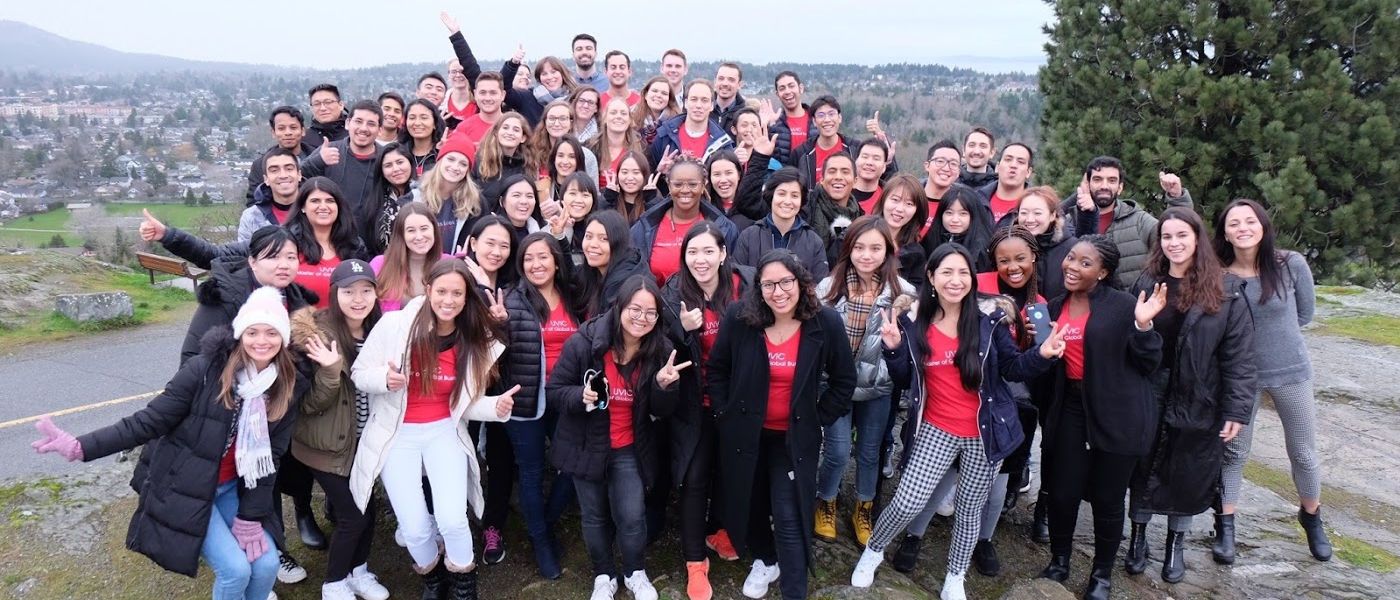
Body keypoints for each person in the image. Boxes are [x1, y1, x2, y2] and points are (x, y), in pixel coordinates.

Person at [32, 285, 306, 600]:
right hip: (184, 486)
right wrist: (82, 447)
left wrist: (250, 516)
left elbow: (269, 457)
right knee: (236, 570)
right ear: (240, 334)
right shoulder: (204, 371)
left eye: (271, 333)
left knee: (267, 565)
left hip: (232, 488)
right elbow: (147, 421)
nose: (261, 341)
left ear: (283, 339)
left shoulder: (285, 386)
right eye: (252, 331)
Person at [851, 243, 1064, 600]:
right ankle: (873, 550)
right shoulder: (913, 322)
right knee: (907, 501)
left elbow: (1012, 368)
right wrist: (892, 347)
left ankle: (955, 575)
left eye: (963, 272)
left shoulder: (988, 321)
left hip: (984, 432)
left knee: (969, 510)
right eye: (947, 272)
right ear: (932, 278)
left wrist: (1041, 355)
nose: (956, 280)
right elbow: (904, 379)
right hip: (935, 428)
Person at [348, 260, 520, 600]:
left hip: (444, 431)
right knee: (413, 528)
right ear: (428, 290)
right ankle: (434, 579)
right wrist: (384, 379)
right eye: (442, 291)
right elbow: (359, 372)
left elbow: (465, 403)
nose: (448, 300)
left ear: (467, 297)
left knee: (453, 520)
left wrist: (494, 407)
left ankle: (463, 585)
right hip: (397, 434)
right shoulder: (395, 326)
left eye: (457, 293)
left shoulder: (473, 339)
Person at [707, 250, 856, 600]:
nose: (778, 292)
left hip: (791, 439)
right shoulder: (740, 318)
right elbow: (717, 370)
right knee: (750, 502)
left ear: (801, 283)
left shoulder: (826, 323)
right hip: (746, 433)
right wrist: (725, 414)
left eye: (786, 282)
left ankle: (794, 590)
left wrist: (817, 417)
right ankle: (765, 558)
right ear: (758, 289)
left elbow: (843, 381)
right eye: (769, 284)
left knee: (789, 516)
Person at [1125, 207, 1255, 584]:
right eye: (1167, 236)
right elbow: (1129, 339)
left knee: (1189, 470)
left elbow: (1240, 358)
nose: (1174, 243)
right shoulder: (1148, 281)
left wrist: (1237, 409)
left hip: (1200, 393)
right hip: (1149, 389)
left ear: (1197, 238)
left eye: (1182, 235)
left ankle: (1174, 544)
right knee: (1142, 466)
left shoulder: (1226, 290)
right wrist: (1142, 322)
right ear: (1159, 242)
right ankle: (1137, 539)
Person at [1033, 235, 1165, 600]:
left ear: (1104, 272)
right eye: (1071, 258)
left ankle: (1101, 575)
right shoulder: (1054, 306)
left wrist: (1143, 327)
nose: (1072, 266)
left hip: (1118, 412)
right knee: (1062, 493)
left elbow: (1149, 363)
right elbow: (1046, 366)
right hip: (1071, 409)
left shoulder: (1124, 307)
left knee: (1108, 499)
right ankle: (1060, 561)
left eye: (1085, 263)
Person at [547, 275, 683, 600]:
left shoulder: (660, 349)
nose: (641, 318)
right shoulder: (585, 342)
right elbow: (554, 391)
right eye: (635, 309)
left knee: (633, 515)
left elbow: (663, 411)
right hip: (586, 443)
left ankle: (635, 572)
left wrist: (665, 386)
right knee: (593, 516)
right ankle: (603, 575)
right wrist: (580, 396)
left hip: (629, 447)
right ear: (619, 306)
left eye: (650, 313)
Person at [1213, 198, 1331, 562]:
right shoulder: (1219, 274)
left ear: (1263, 226)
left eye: (1250, 221)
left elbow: (1305, 314)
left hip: (1290, 371)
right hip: (1239, 378)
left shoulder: (1290, 264)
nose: (1243, 228)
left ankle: (1312, 518)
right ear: (1225, 233)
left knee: (1302, 452)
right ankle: (1226, 526)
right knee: (1234, 452)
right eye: (1234, 223)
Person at [658, 223, 754, 599]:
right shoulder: (672, 294)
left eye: (708, 251)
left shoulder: (745, 287)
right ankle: (695, 562)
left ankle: (722, 531)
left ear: (723, 253)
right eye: (692, 252)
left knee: (733, 471)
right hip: (694, 404)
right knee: (695, 477)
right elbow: (664, 354)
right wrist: (684, 332)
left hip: (735, 401)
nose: (700, 260)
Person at [288, 260, 391, 600]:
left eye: (366, 291)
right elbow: (308, 405)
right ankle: (333, 584)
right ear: (335, 294)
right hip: (325, 446)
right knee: (351, 516)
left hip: (364, 441)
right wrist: (331, 370)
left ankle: (358, 572)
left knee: (368, 509)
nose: (358, 299)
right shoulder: (315, 337)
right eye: (349, 292)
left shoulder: (381, 331)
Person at [813, 217, 915, 548]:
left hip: (878, 387)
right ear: (848, 249)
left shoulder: (904, 294)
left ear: (888, 251)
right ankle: (825, 500)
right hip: (836, 385)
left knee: (870, 452)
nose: (866, 255)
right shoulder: (827, 288)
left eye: (875, 248)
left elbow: (910, 349)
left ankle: (864, 506)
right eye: (859, 247)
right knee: (838, 450)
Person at [498, 232, 585, 579]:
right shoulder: (513, 301)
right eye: (528, 258)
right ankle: (541, 542)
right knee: (532, 472)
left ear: (556, 260)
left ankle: (545, 522)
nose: (536, 264)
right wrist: (496, 324)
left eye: (543, 257)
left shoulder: (572, 295)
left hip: (565, 396)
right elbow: (496, 350)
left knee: (572, 465)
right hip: (526, 401)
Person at [1062, 156, 1195, 288]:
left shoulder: (1139, 221)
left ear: (1120, 188)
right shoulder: (1069, 221)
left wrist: (1177, 198)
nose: (1104, 186)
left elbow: (1174, 234)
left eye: (1112, 180)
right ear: (1088, 184)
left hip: (1132, 306)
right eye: (1097, 179)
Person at [630, 158, 740, 285]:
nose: (685, 190)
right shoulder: (643, 228)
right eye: (678, 184)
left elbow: (732, 280)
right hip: (658, 302)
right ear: (668, 184)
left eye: (693, 184)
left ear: (704, 184)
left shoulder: (725, 229)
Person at [732, 164, 828, 279]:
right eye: (781, 194)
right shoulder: (748, 237)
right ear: (771, 195)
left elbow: (819, 287)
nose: (787, 201)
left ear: (802, 200)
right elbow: (737, 281)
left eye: (794, 195)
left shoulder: (814, 242)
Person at [299, 100, 384, 230]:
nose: (363, 128)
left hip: (372, 240)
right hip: (330, 236)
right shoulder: (329, 150)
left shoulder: (386, 159)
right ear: (348, 123)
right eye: (358, 121)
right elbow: (297, 177)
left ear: (380, 130)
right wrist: (318, 161)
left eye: (371, 124)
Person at [371, 202, 449, 312]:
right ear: (401, 234)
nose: (419, 237)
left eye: (424, 228)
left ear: (434, 229)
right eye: (411, 230)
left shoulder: (448, 263)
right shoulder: (380, 264)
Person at [419, 135, 486, 252]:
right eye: (450, 159)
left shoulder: (476, 203)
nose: (455, 167)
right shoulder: (416, 196)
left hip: (456, 267)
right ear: (440, 160)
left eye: (463, 164)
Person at [576, 211, 648, 317]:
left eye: (604, 239)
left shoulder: (624, 282)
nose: (593, 244)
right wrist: (560, 236)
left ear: (619, 243)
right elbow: (569, 278)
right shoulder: (594, 272)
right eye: (588, 236)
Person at [651, 80, 733, 167]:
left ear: (712, 105)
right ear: (685, 103)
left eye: (704, 100)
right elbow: (649, 174)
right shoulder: (665, 135)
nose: (698, 105)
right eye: (694, 99)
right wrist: (659, 172)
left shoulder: (722, 143)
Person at [871, 173, 930, 289]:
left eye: (909, 204)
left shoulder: (916, 253)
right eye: (895, 200)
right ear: (883, 200)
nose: (899, 209)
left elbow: (916, 293)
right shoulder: (859, 234)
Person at [247, 106, 315, 203]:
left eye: (293, 127)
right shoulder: (260, 165)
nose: (288, 133)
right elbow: (254, 201)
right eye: (281, 128)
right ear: (273, 133)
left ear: (303, 131)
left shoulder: (319, 159)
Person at [805, 153, 862, 265]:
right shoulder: (805, 206)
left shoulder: (860, 218)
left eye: (845, 172)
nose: (838, 177)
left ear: (855, 181)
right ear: (821, 179)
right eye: (832, 171)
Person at [363, 142, 418, 256]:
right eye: (388, 165)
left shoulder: (423, 194)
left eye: (400, 162)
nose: (396, 169)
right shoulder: (375, 201)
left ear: (410, 163)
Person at [923, 184, 994, 273]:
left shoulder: (981, 252)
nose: (955, 220)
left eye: (963, 213)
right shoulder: (930, 240)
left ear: (973, 216)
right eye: (949, 213)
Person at [473, 112, 536, 207]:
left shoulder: (528, 166)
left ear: (523, 138)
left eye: (516, 130)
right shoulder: (478, 162)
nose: (510, 133)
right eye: (505, 128)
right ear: (496, 132)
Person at [240, 147, 303, 242]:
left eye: (289, 169)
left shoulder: (316, 211)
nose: (283, 175)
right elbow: (246, 254)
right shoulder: (252, 217)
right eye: (274, 170)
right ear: (266, 179)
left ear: (299, 175)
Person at [531, 101, 600, 182]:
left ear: (571, 123)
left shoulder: (586, 156)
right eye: (552, 118)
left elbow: (593, 191)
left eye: (562, 119)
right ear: (545, 122)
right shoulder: (532, 153)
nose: (556, 124)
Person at [593, 98, 646, 189]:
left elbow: (647, 180)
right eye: (613, 112)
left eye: (623, 113)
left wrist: (660, 170)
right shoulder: (592, 147)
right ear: (605, 118)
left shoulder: (642, 147)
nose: (618, 116)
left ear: (630, 120)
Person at [977, 142, 1033, 224]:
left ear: (1028, 172)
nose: (1013, 165)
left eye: (1020, 162)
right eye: (1008, 159)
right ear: (997, 167)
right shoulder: (976, 201)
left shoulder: (1034, 208)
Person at [553, 172, 600, 264]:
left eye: (585, 195)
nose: (578, 200)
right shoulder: (551, 226)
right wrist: (565, 230)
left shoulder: (600, 229)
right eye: (572, 193)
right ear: (562, 197)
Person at [602, 151, 659, 225]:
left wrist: (651, 200)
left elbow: (656, 226)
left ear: (644, 175)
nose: (630, 178)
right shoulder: (608, 197)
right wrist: (609, 199)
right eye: (624, 172)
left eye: (636, 172)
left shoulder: (654, 198)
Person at [767, 71, 810, 166]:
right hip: (784, 179)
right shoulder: (774, 124)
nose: (787, 91)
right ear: (777, 94)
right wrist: (768, 127)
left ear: (801, 88)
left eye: (791, 86)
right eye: (782, 88)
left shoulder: (816, 120)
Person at [704, 149, 752, 230]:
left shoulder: (752, 206)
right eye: (717, 174)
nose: (723, 180)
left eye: (729, 173)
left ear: (739, 175)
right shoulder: (704, 207)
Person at [399, 99, 446, 178]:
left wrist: (443, 153)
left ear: (435, 123)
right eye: (412, 118)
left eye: (424, 118)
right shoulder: (398, 152)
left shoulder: (442, 154)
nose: (417, 123)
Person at [632, 76, 680, 148]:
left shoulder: (677, 123)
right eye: (654, 91)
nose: (658, 95)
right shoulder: (631, 118)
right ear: (645, 95)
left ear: (669, 99)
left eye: (664, 93)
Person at [851, 139, 891, 213]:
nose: (869, 163)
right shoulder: (840, 192)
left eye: (876, 159)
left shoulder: (889, 199)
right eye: (865, 157)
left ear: (884, 167)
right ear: (856, 161)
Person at [306, 83, 348, 147]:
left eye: (328, 102)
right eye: (317, 104)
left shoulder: (354, 133)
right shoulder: (304, 139)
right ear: (311, 109)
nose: (323, 108)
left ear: (341, 105)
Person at [711, 62, 747, 131]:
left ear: (739, 85)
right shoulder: (703, 110)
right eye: (721, 78)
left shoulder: (745, 115)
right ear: (715, 81)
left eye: (731, 80)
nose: (725, 83)